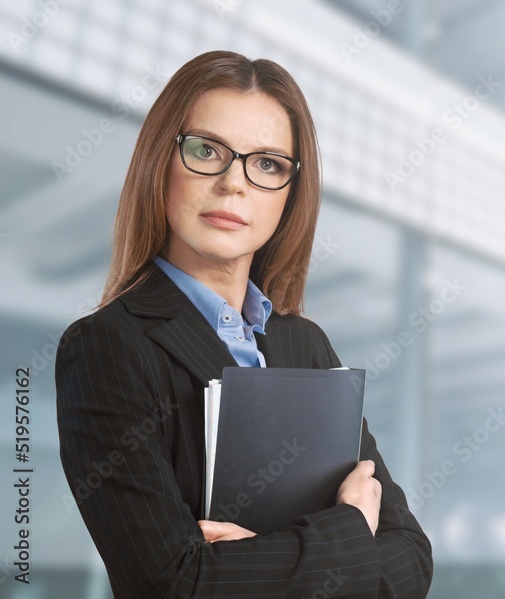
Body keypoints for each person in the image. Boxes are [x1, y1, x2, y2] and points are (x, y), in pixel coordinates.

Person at [55, 50, 433, 598]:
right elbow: (175, 584)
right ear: (161, 160)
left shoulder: (306, 344)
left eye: (268, 164)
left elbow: (412, 562)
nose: (234, 184)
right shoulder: (105, 348)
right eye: (207, 150)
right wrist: (350, 527)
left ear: (289, 194)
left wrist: (252, 564)